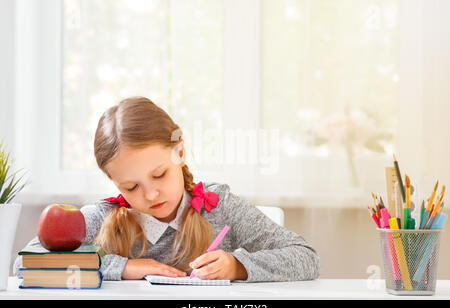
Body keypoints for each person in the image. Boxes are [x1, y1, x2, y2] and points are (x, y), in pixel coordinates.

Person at [14, 96, 320, 282]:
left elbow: (306, 258)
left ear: (181, 154)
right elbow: (25, 264)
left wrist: (238, 266)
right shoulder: (103, 218)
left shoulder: (220, 207)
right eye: (131, 186)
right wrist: (122, 267)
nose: (150, 195)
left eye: (159, 175)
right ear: (114, 183)